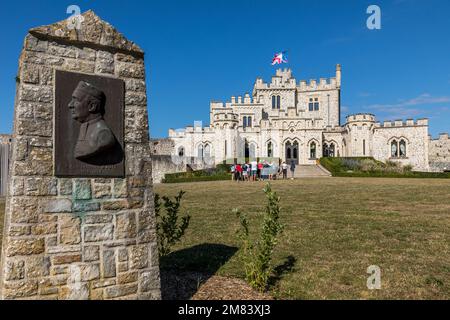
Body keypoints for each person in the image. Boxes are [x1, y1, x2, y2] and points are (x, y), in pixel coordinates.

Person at [68, 81, 116, 160]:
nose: (70, 105)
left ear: (92, 106)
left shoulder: (103, 135)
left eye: (76, 101)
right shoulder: (85, 126)